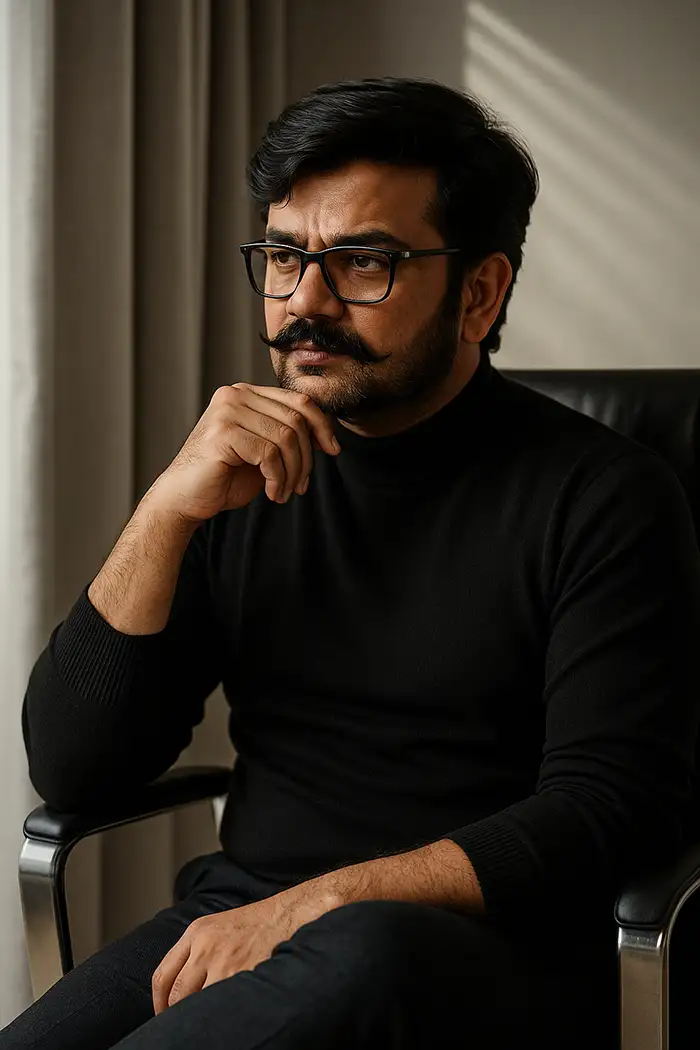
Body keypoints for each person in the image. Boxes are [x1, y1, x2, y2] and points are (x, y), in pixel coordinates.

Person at [4, 76, 700, 1050]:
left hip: (487, 955)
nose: (305, 303)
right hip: (248, 920)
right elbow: (74, 767)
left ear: (480, 291)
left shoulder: (604, 498)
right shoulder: (240, 478)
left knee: (364, 952)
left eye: (363, 262)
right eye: (284, 256)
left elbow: (609, 809)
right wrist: (163, 511)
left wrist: (322, 904)